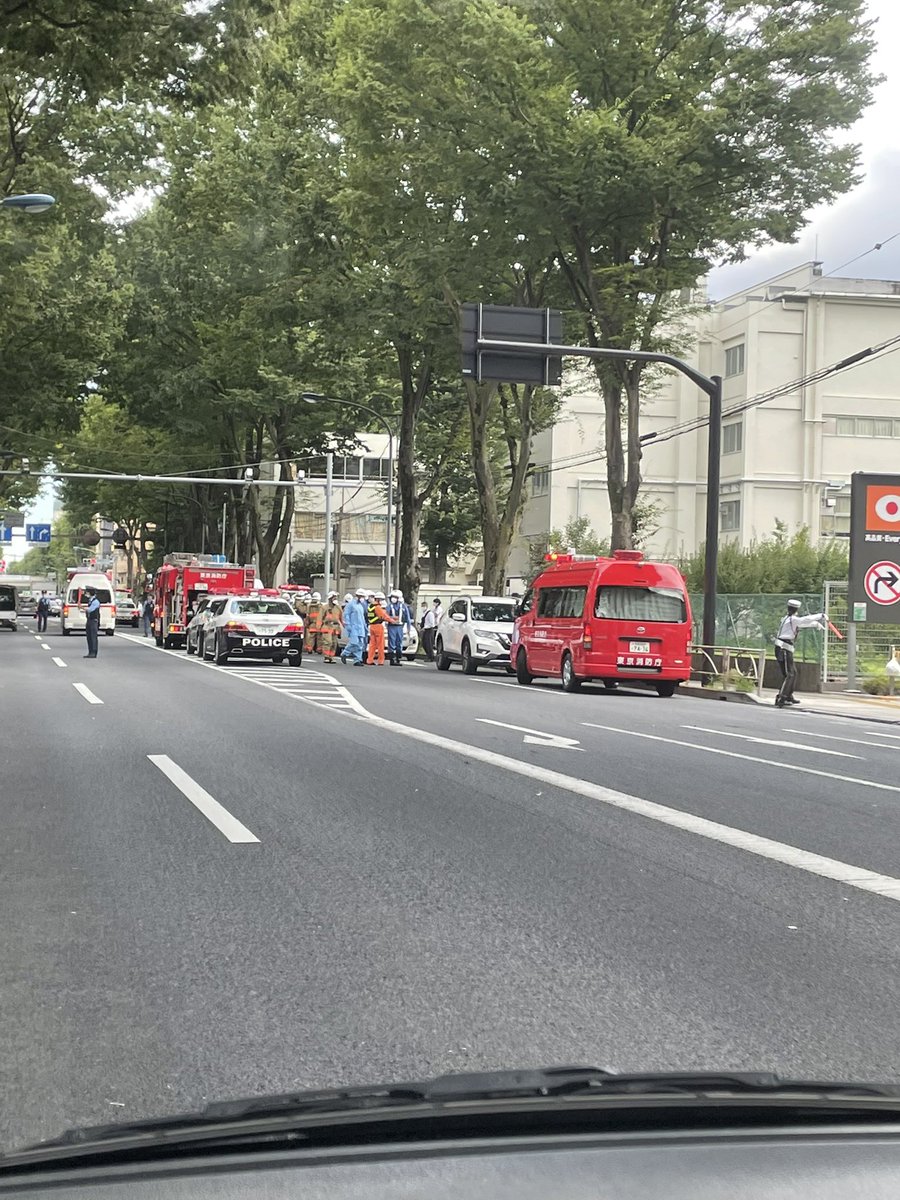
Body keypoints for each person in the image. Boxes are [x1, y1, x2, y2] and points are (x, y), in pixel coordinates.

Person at [774, 599, 826, 708]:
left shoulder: (787, 619)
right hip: (784, 648)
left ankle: (788, 696)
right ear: (796, 609)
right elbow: (803, 620)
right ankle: (781, 697)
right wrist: (820, 616)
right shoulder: (792, 619)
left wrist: (815, 624)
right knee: (790, 674)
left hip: (783, 648)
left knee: (791, 673)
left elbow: (802, 623)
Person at [366, 591, 396, 666]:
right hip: (378, 626)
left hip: (371, 626)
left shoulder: (370, 606)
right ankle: (380, 660)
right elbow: (383, 616)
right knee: (380, 644)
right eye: (382, 599)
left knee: (372, 645)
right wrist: (392, 621)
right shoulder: (378, 607)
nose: (382, 601)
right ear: (379, 599)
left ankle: (369, 660)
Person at [341, 588, 367, 666]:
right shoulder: (351, 604)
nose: (362, 598)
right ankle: (345, 653)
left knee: (360, 644)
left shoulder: (361, 606)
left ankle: (357, 660)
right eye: (361, 596)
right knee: (353, 643)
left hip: (361, 628)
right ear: (357, 596)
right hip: (353, 627)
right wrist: (348, 625)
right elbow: (346, 615)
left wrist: (365, 627)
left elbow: (362, 618)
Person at [386, 590, 412, 665]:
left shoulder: (403, 607)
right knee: (391, 642)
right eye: (392, 597)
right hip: (392, 626)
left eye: (394, 597)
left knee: (399, 643)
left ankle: (398, 658)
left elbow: (407, 618)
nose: (392, 599)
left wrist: (408, 628)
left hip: (400, 627)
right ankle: (392, 659)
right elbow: (386, 616)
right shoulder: (389, 606)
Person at [320, 592, 343, 664]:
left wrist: (343, 627)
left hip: (335, 627)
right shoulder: (324, 607)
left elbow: (341, 618)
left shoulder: (338, 608)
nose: (335, 598)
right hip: (327, 626)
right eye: (334, 597)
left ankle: (331, 656)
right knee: (328, 642)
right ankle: (326, 656)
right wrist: (319, 627)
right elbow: (320, 618)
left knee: (334, 643)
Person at [421, 597, 442, 662]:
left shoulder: (430, 613)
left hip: (429, 630)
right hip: (426, 629)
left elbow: (431, 623)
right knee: (424, 643)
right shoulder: (425, 613)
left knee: (428, 643)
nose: (422, 607)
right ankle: (428, 655)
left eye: (423, 606)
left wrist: (425, 627)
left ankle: (431, 657)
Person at [83, 587, 101, 658]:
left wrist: (82, 608)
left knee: (93, 637)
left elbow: (91, 610)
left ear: (90, 593)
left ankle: (93, 652)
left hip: (94, 621)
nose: (86, 594)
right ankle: (90, 652)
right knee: (89, 637)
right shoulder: (90, 600)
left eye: (87, 592)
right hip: (89, 620)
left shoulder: (95, 601)